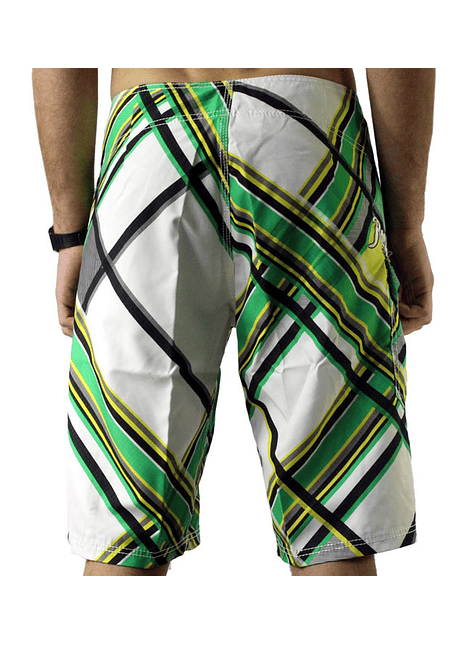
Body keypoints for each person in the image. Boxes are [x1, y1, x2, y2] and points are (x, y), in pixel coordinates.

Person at [32, 68, 435, 577]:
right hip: (306, 135)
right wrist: (405, 227)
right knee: (334, 515)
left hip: (150, 138)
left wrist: (71, 232)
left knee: (126, 523)